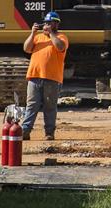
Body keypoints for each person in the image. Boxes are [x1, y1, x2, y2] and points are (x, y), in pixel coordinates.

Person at [21, 10, 69, 141]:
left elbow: (60, 47)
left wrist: (51, 34)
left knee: (50, 107)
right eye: (45, 23)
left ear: (55, 24)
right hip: (34, 77)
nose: (46, 25)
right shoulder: (38, 37)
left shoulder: (61, 37)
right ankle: (25, 130)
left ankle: (49, 133)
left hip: (52, 78)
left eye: (49, 23)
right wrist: (32, 33)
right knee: (31, 105)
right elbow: (26, 48)